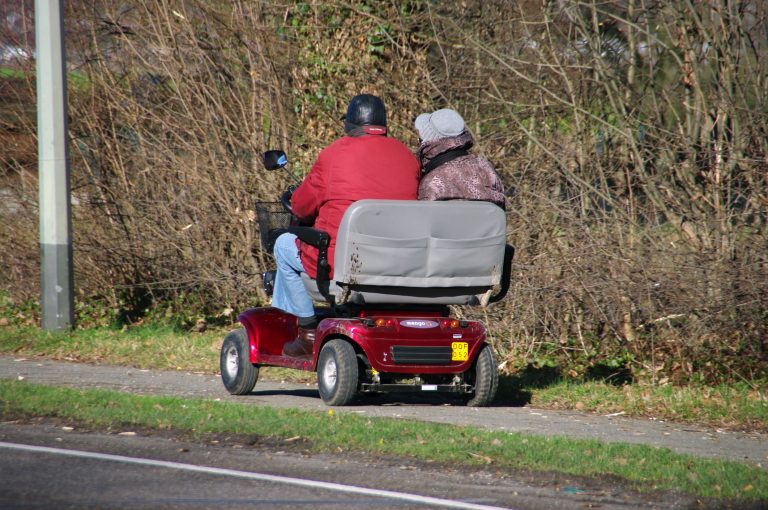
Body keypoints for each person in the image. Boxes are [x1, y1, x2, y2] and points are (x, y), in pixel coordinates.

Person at [274, 94, 420, 358]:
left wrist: (293, 199)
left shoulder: (334, 155)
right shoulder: (408, 157)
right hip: (396, 263)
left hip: (341, 264)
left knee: (283, 245)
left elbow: (302, 207)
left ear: (350, 124)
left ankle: (307, 332)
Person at [414, 108, 506, 209]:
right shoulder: (485, 167)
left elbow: (426, 222)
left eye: (420, 140)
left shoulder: (432, 182)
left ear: (428, 142)